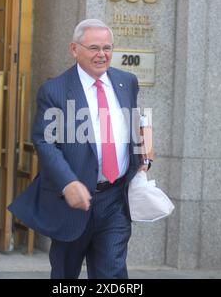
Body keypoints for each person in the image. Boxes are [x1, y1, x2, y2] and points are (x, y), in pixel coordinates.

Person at [9, 19, 149, 279]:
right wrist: (68, 182)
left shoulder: (126, 81)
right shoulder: (55, 90)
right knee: (65, 274)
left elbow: (135, 124)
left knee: (113, 274)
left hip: (115, 200)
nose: (102, 55)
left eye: (107, 48)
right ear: (74, 49)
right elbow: (45, 142)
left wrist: (143, 158)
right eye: (94, 48)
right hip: (72, 202)